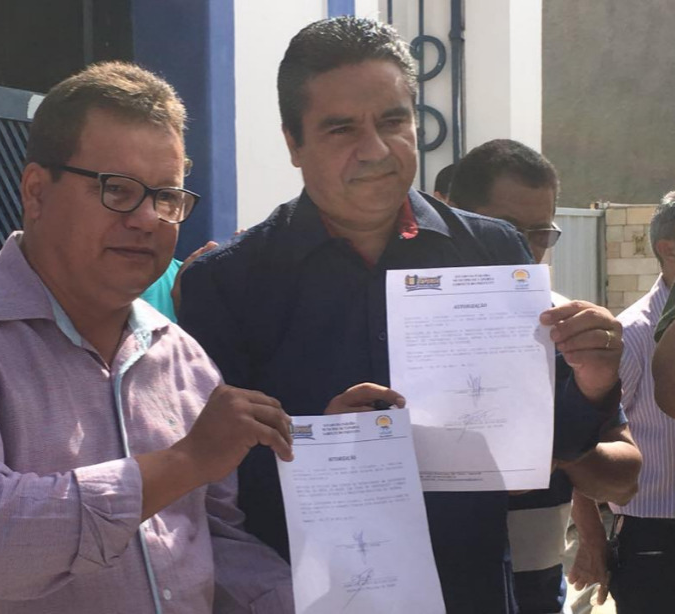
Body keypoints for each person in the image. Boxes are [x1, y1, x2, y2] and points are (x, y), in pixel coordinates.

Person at [179, 17, 624, 613]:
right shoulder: (226, 284)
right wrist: (324, 446)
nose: (376, 150)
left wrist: (593, 384)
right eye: (341, 128)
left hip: (469, 594)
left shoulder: (492, 252)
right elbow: (209, 488)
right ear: (293, 142)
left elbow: (554, 444)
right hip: (305, 598)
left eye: (393, 121)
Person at [0, 62, 299, 613]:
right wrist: (183, 463)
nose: (147, 219)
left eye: (166, 196)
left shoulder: (183, 360)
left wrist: (318, 597)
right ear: (35, 191)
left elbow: (208, 543)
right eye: (117, 190)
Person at [450, 139, 640, 613]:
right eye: (506, 229)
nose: (524, 248)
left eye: (540, 233)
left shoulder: (565, 328)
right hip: (426, 588)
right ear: (453, 217)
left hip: (534, 592)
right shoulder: (399, 321)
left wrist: (555, 446)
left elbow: (624, 479)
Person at [611, 192, 675, 612]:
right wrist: (590, 540)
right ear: (669, 249)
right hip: (654, 538)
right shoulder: (632, 334)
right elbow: (589, 438)